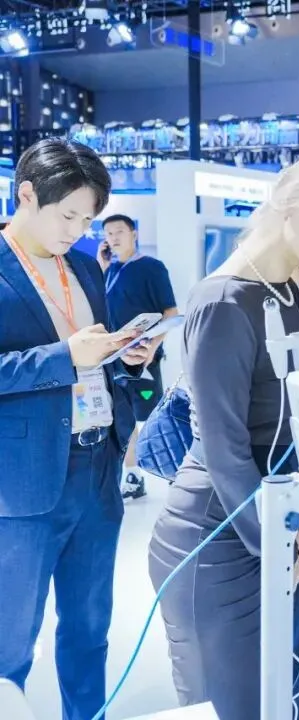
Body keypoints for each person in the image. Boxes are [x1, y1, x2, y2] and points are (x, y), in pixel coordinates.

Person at [147, 149, 299, 719]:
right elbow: (225, 448)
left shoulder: (283, 292)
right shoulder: (223, 300)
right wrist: (274, 536)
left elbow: (288, 426)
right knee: (230, 709)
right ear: (289, 202)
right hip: (211, 542)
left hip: (259, 526)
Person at [0, 137, 150, 720]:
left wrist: (123, 355)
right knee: (10, 643)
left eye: (87, 220)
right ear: (26, 195)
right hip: (24, 481)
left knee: (89, 630)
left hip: (97, 468)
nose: (78, 231)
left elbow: (93, 354)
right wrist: (64, 356)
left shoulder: (85, 267)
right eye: (68, 216)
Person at [95, 213, 178, 499]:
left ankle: (176, 471)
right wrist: (102, 266)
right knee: (123, 417)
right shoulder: (109, 269)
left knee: (152, 417)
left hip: (143, 359)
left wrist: (152, 348)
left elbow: (171, 313)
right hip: (114, 358)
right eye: (108, 233)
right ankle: (133, 476)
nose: (113, 238)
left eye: (119, 231)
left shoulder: (151, 267)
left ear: (134, 234)